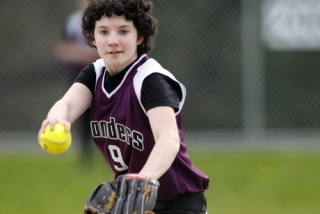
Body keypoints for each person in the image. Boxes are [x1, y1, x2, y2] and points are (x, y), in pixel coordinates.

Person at [40, 0, 209, 213]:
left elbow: (168, 139)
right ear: (92, 37)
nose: (113, 41)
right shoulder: (95, 73)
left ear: (139, 36)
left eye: (123, 31)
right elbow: (67, 103)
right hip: (132, 200)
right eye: (103, 31)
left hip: (178, 203)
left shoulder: (150, 80)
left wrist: (143, 179)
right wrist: (57, 119)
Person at [53, 0, 99, 163]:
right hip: (78, 76)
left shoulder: (104, 19)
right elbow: (62, 49)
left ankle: (109, 151)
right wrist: (82, 55)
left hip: (102, 75)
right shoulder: (73, 21)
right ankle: (85, 156)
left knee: (104, 113)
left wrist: (92, 56)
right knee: (82, 116)